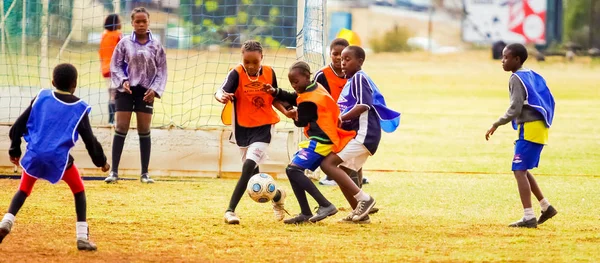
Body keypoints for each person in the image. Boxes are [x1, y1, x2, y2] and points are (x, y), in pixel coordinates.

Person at [0, 63, 110, 251]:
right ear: (75, 84)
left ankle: (6, 222)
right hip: (58, 160)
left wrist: (14, 150)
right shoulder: (80, 107)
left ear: (53, 81)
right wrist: (102, 162)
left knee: (24, 190)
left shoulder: (41, 97)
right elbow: (90, 140)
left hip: (34, 155)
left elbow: (16, 127)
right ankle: (82, 237)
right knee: (79, 191)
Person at [264, 61, 356, 224]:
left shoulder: (309, 101)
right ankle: (305, 213)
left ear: (307, 77)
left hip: (322, 140)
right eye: (291, 82)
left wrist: (291, 114)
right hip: (324, 137)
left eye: (296, 82)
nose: (294, 85)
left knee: (293, 170)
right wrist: (276, 91)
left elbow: (301, 121)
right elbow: (295, 97)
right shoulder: (315, 87)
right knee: (292, 170)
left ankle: (325, 205)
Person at [320, 46, 400, 223]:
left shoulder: (358, 77)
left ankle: (365, 199)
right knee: (343, 171)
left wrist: (341, 117)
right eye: (341, 60)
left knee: (328, 164)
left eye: (347, 59)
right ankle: (360, 213)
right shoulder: (351, 81)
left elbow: (364, 105)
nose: (343, 63)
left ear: (360, 62)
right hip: (361, 135)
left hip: (365, 134)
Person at [214, 40, 292, 225]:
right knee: (254, 176)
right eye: (246, 62)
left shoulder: (269, 73)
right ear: (242, 59)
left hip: (264, 128)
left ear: (261, 59)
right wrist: (221, 97)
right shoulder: (236, 73)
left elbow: (273, 98)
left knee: (248, 166)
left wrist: (287, 111)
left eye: (254, 62)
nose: (250, 66)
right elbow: (220, 91)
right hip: (242, 129)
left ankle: (230, 211)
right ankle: (278, 196)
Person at [485, 43, 557, 228]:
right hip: (537, 127)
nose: (502, 61)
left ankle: (528, 217)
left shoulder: (516, 78)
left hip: (531, 129)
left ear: (517, 59)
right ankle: (545, 207)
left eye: (506, 57)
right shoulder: (530, 74)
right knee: (523, 169)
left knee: (518, 170)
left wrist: (496, 123)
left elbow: (515, 108)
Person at [104, 7, 167, 184]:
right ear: (132, 23)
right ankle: (114, 172)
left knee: (144, 130)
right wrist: (122, 80)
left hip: (146, 92)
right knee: (121, 126)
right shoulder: (124, 43)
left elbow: (162, 70)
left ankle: (144, 174)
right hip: (125, 90)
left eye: (144, 21)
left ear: (149, 22)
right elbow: (114, 65)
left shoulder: (156, 45)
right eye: (137, 21)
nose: (140, 24)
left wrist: (154, 89)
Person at [313, 38, 369, 187]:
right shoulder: (322, 75)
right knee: (334, 153)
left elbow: (363, 102)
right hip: (332, 122)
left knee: (353, 154)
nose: (339, 58)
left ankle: (357, 186)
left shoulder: (355, 75)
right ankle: (333, 176)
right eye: (335, 54)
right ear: (330, 54)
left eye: (343, 56)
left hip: (351, 120)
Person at [99, 13, 122, 125]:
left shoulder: (104, 35)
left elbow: (101, 53)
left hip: (105, 69)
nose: (120, 23)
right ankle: (113, 121)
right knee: (116, 95)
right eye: (119, 21)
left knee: (112, 94)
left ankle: (112, 120)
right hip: (116, 69)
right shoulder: (117, 35)